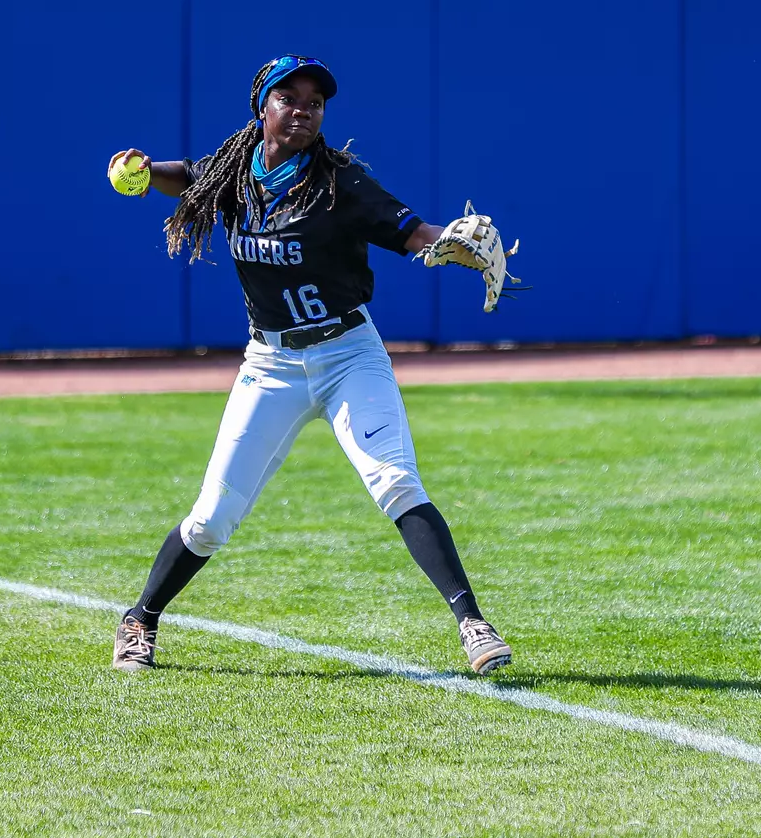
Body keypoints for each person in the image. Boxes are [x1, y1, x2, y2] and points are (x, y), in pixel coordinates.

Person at [106, 54, 512, 676]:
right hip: (270, 363)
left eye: (314, 103)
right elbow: (187, 176)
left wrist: (453, 245)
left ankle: (472, 625)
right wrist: (144, 169)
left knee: (396, 482)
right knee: (213, 517)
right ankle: (140, 620)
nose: (301, 111)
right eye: (287, 99)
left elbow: (413, 233)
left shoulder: (340, 183)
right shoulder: (233, 172)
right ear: (261, 107)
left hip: (348, 353)